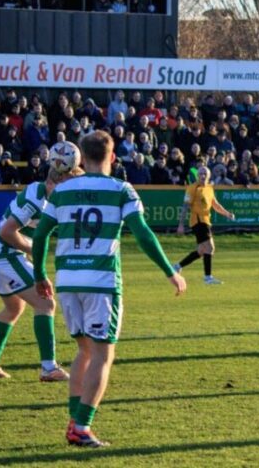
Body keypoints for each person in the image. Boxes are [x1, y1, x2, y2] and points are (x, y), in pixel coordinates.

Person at [32, 130, 186, 448]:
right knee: (103, 354)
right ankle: (82, 426)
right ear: (112, 157)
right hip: (100, 282)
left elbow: (40, 235)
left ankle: (75, 422)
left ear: (82, 158)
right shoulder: (121, 189)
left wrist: (39, 275)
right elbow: (142, 233)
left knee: (84, 351)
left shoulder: (61, 190)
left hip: (68, 281)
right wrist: (169, 270)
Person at [0, 166, 83, 380]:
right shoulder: (38, 201)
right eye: (70, 186)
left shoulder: (39, 191)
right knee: (45, 303)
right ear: (57, 181)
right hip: (6, 255)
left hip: (0, 253)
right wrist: (33, 249)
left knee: (13, 308)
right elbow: (7, 231)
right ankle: (48, 367)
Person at [173, 166, 235, 285]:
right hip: (198, 221)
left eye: (205, 173)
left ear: (209, 175)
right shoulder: (192, 188)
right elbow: (185, 206)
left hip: (206, 221)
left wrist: (227, 213)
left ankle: (177, 266)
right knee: (210, 248)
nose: (203, 175)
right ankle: (208, 278)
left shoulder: (210, 188)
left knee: (201, 250)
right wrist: (180, 224)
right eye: (201, 173)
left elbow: (215, 205)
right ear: (197, 176)